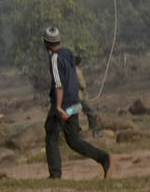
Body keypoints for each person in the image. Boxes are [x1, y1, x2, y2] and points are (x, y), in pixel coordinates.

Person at [42, 24, 112, 181]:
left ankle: (55, 174)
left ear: (45, 43)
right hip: (76, 103)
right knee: (73, 140)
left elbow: (58, 84)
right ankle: (103, 158)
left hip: (63, 104)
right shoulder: (68, 53)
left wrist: (59, 107)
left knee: (51, 135)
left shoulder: (55, 58)